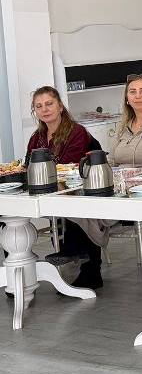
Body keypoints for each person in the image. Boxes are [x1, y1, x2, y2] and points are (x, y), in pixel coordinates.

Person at [25, 87, 105, 289]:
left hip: (82, 187)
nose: (44, 109)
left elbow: (71, 163)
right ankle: (21, 272)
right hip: (51, 190)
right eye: (39, 106)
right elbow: (28, 164)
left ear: (60, 106)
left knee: (72, 204)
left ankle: (87, 263)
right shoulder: (37, 137)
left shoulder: (76, 131)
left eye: (49, 104)